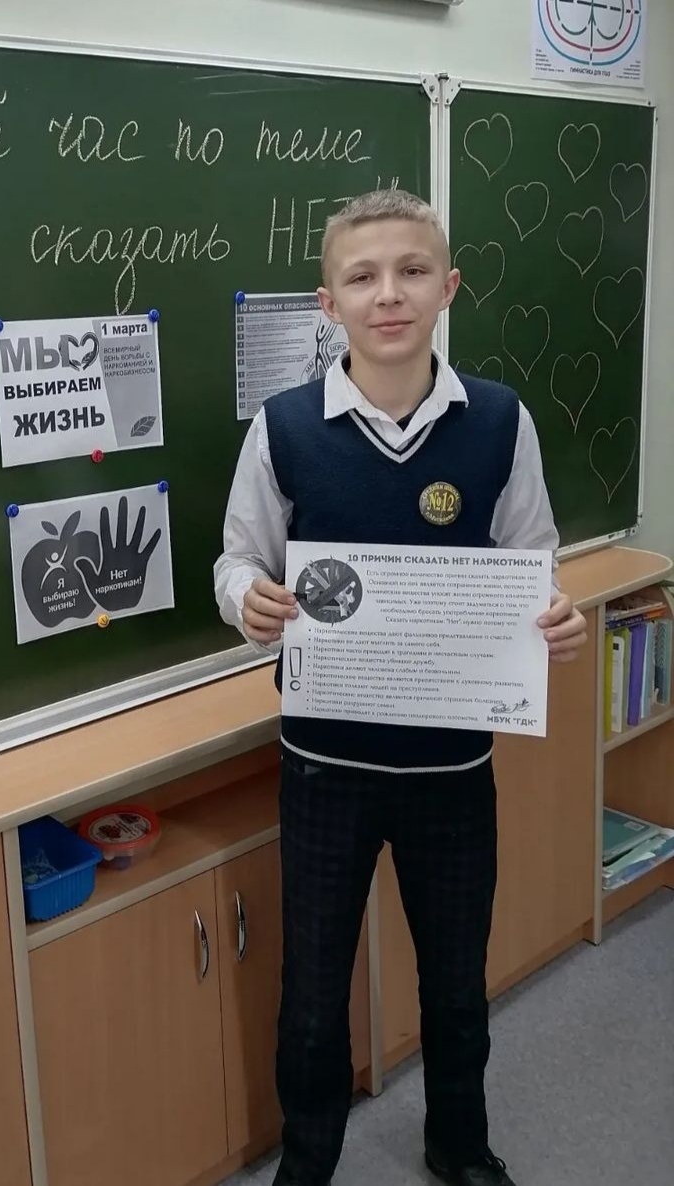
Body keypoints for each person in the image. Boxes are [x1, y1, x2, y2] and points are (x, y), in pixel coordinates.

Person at [213, 189, 588, 1186]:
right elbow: (237, 560)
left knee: (457, 982)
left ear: (447, 287)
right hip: (324, 764)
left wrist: (552, 613)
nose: (390, 294)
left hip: (452, 765)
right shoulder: (285, 428)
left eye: (412, 271)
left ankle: (457, 1145)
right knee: (312, 993)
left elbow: (532, 559)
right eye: (363, 276)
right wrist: (249, 599)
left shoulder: (499, 420)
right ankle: (309, 1162)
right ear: (328, 303)